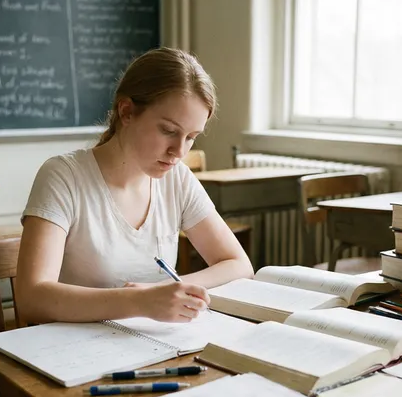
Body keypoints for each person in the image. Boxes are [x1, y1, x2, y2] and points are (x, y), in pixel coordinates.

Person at [15, 47, 254, 324]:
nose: (179, 151)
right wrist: (139, 302)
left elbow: (239, 265)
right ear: (126, 111)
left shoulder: (178, 179)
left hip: (153, 346)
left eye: (191, 137)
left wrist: (163, 291)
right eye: (168, 131)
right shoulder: (63, 176)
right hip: (76, 351)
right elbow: (31, 299)